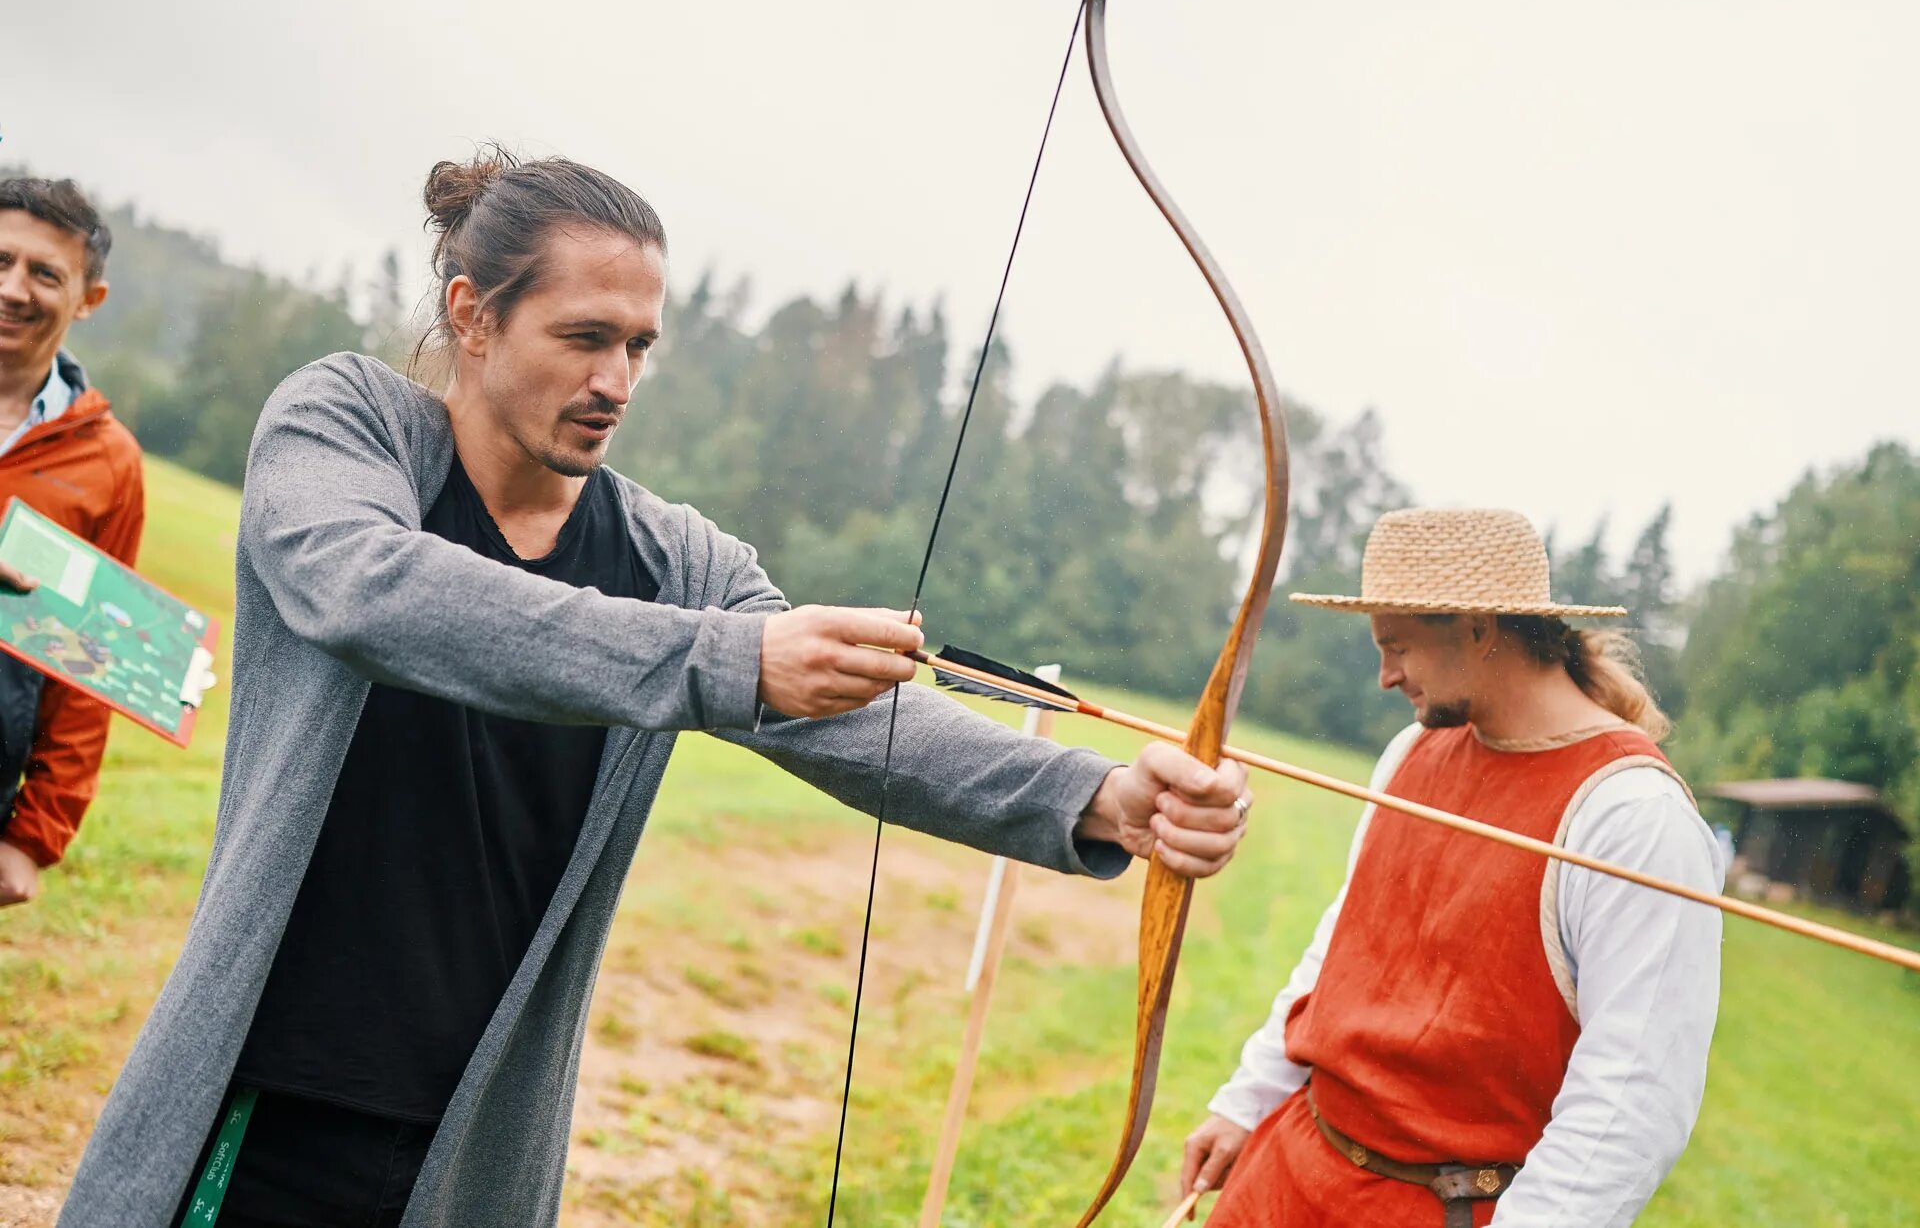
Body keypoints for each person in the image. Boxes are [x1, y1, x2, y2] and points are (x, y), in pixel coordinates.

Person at [57, 149, 1253, 1228]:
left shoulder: (680, 561)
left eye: (639, 346)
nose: (617, 378)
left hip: (474, 1120)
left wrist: (1099, 796)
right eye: (585, 336)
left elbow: (848, 711)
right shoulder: (348, 426)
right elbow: (371, 591)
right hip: (266, 1080)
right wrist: (726, 663)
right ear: (473, 316)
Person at [1179, 508, 1723, 1228]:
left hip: (1441, 1208)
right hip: (1290, 1173)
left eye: (1397, 645)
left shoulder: (1633, 818)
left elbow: (1632, 1100)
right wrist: (1248, 1099)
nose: (1385, 676)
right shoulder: (1411, 753)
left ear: (1476, 625)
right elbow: (1341, 952)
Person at [0, 175, 146, 909]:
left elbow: (93, 660)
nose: (14, 288)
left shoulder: (110, 462)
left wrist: (33, 836)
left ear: (89, 299)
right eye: (1, 261)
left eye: (44, 273)